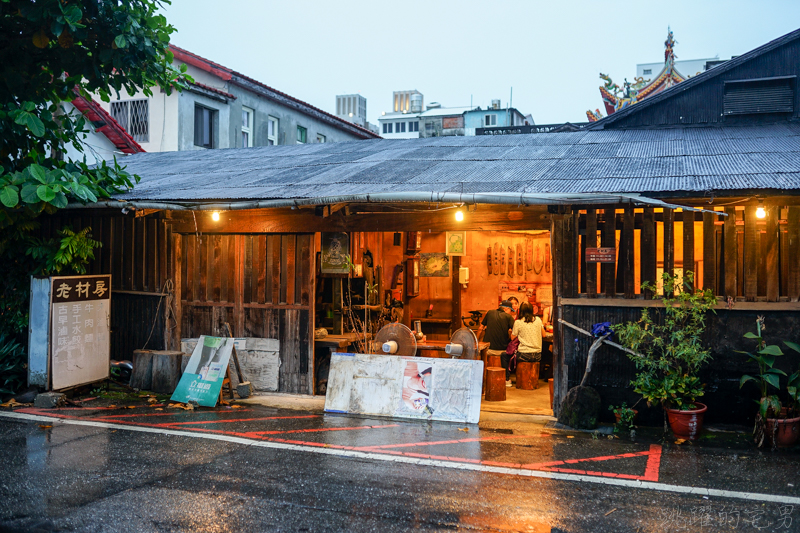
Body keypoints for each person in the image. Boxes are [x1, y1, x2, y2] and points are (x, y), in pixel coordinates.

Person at [478, 300, 515, 387]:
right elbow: (515, 333)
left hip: (488, 350)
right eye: (511, 310)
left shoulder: (490, 313)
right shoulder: (509, 317)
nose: (511, 313)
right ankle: (506, 379)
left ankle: (482, 379)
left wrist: (477, 341)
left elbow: (480, 328)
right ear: (506, 309)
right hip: (502, 351)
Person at [511, 302, 544, 367]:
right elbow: (544, 335)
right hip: (537, 355)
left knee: (505, 356)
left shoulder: (518, 322)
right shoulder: (538, 319)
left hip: (523, 355)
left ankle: (508, 376)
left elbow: (512, 337)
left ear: (520, 311)